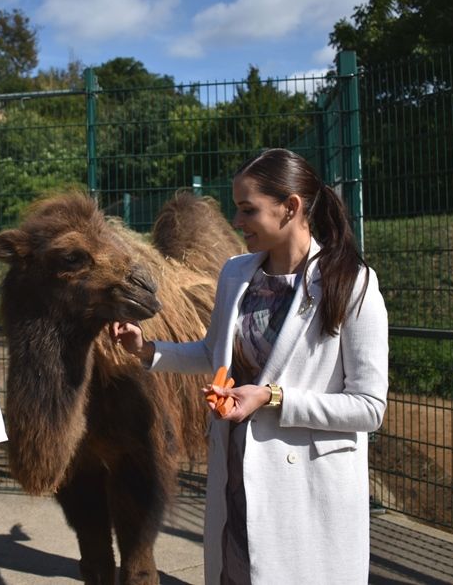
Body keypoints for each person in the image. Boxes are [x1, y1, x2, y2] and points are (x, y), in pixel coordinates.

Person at [111, 148, 388, 584]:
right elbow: (211, 353)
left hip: (308, 484)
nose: (236, 223)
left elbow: (369, 408)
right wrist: (147, 349)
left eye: (247, 210)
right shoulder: (235, 275)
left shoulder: (352, 283)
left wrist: (271, 398)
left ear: (291, 207)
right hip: (237, 471)